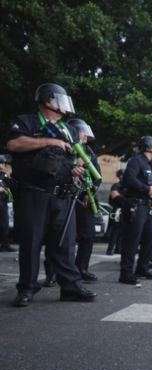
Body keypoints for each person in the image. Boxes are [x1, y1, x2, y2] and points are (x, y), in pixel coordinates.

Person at [8, 83, 96, 306]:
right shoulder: (26, 121)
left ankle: (71, 287)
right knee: (31, 243)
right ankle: (26, 289)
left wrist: (77, 169)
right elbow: (14, 144)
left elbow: (76, 158)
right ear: (48, 100)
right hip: (34, 193)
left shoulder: (69, 129)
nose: (64, 105)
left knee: (65, 244)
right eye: (60, 99)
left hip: (63, 195)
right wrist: (50, 141)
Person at [118, 136, 152, 285]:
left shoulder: (150, 165)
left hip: (148, 207)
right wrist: (146, 188)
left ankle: (142, 268)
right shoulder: (136, 161)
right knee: (132, 240)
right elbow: (129, 179)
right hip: (136, 205)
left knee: (150, 236)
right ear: (150, 147)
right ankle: (126, 273)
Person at [70, 119, 102, 284]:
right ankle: (52, 272)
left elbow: (97, 176)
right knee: (61, 236)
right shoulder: (67, 148)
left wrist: (91, 192)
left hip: (85, 197)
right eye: (82, 132)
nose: (85, 136)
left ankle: (81, 268)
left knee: (88, 235)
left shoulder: (89, 152)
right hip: (67, 196)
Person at [106, 169, 125, 255]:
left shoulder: (127, 186)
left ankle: (118, 248)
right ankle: (110, 249)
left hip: (124, 210)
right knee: (115, 231)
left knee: (122, 232)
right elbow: (114, 197)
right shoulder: (116, 186)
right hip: (117, 211)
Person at [0, 155, 17, 253]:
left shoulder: (4, 176)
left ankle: (4, 244)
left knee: (4, 224)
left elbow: (9, 187)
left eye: (2, 163)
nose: (1, 165)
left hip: (2, 201)